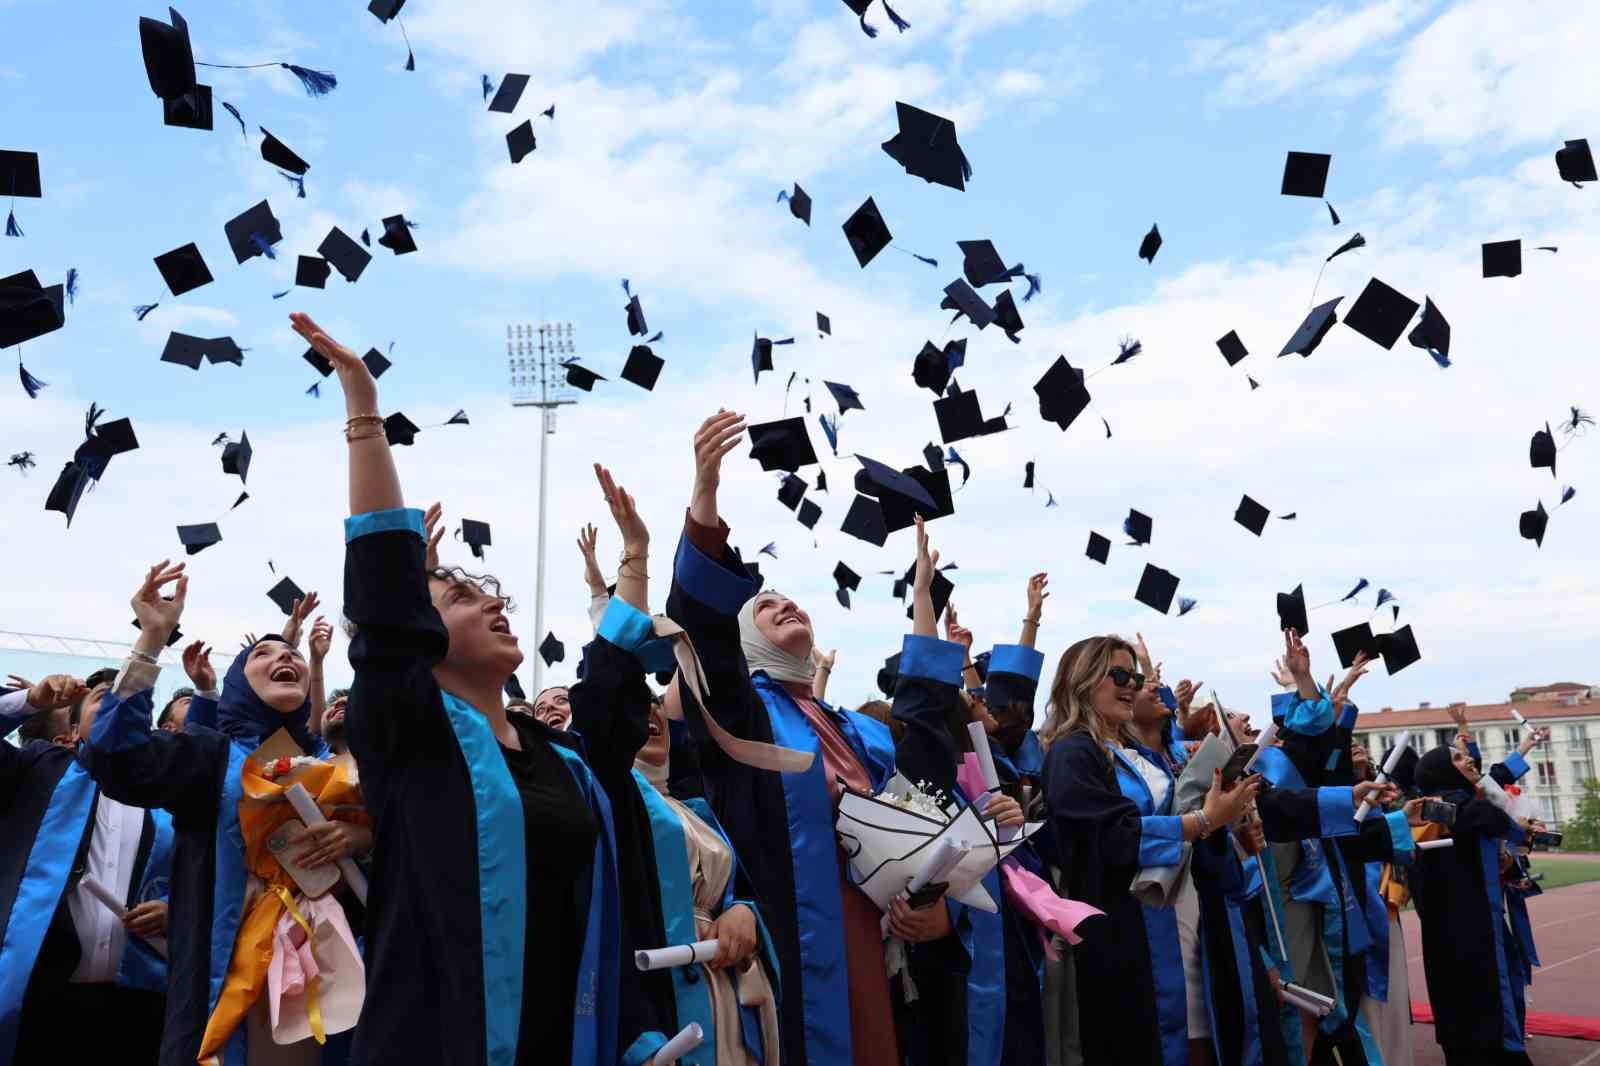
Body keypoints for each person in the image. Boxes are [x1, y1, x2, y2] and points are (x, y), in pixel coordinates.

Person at [296, 310, 641, 1066]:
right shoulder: (412, 734)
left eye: (492, 595)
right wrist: (364, 413)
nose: (492, 603)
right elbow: (385, 607)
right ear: (424, 632)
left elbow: (617, 699)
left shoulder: (562, 759)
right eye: (461, 598)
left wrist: (635, 562)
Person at [666, 408, 916, 1066]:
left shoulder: (857, 730)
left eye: (790, 600)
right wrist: (706, 496)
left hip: (874, 936)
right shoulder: (743, 712)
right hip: (789, 937)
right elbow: (705, 638)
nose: (785, 604)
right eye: (764, 606)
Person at [1039, 635, 1394, 1066]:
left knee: (1209, 1043)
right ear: (1083, 679)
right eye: (1119, 675)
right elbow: (1109, 834)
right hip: (1133, 937)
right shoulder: (1072, 752)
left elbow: (1258, 802)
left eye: (1135, 676)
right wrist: (1203, 821)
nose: (1132, 685)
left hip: (1191, 928)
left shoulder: (1147, 758)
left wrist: (1345, 798)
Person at [82, 563, 371, 1064]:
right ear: (238, 685)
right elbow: (115, 757)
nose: (283, 657)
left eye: (290, 654)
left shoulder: (337, 767)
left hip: (330, 986)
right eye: (262, 655)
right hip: (225, 984)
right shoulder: (210, 758)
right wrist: (151, 640)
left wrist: (362, 837)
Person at [569, 463, 783, 1064]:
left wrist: (743, 912)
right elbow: (610, 687)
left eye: (655, 707)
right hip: (655, 1011)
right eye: (637, 711)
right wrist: (633, 560)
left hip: (729, 1007)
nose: (651, 716)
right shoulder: (602, 791)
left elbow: (736, 889)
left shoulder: (692, 809)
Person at [1, 672, 173, 1063]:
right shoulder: (37, 771)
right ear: (74, 730)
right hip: (41, 1001)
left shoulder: (171, 799)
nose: (119, 706)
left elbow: (207, 876)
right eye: (103, 697)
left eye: (132, 701)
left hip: (143, 1008)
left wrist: (174, 909)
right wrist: (29, 702)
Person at [1410, 745, 1534, 1066]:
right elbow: (1507, 825)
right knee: (1485, 1011)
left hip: (1455, 924)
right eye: (1456, 757)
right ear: (1440, 771)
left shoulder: (1443, 808)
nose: (1467, 759)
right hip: (1470, 926)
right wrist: (1518, 828)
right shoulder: (1454, 808)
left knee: (1462, 1012)